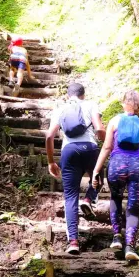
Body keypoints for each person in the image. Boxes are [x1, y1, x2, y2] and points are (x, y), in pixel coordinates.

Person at [92, 89, 139, 263]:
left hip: (117, 165)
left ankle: (116, 237)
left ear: (124, 103)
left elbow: (106, 148)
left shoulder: (115, 121)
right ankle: (130, 246)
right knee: (134, 207)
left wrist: (96, 170)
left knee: (116, 199)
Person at [45, 81, 106, 255]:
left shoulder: (60, 109)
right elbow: (99, 128)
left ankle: (73, 242)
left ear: (67, 95)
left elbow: (49, 135)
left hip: (69, 151)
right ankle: (88, 199)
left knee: (70, 196)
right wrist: (104, 140)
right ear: (83, 95)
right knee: (98, 177)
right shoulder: (90, 104)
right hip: (90, 148)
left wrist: (51, 161)